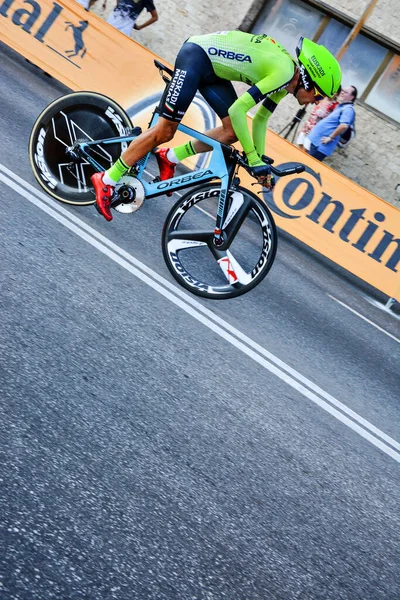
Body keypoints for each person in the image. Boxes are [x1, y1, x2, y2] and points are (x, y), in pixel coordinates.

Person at [91, 32, 342, 221]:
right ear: (309, 81)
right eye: (319, 96)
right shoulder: (284, 72)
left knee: (232, 131)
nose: (316, 102)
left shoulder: (286, 82)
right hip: (196, 57)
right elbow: (238, 109)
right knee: (165, 131)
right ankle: (108, 178)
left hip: (213, 70)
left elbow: (261, 119)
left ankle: (170, 157)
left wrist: (260, 158)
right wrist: (252, 158)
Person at [306, 86, 357, 161]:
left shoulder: (348, 109)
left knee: (306, 165)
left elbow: (343, 126)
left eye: (346, 92)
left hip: (320, 146)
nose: (342, 92)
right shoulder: (341, 107)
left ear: (352, 97)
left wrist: (330, 137)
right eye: (343, 90)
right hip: (316, 142)